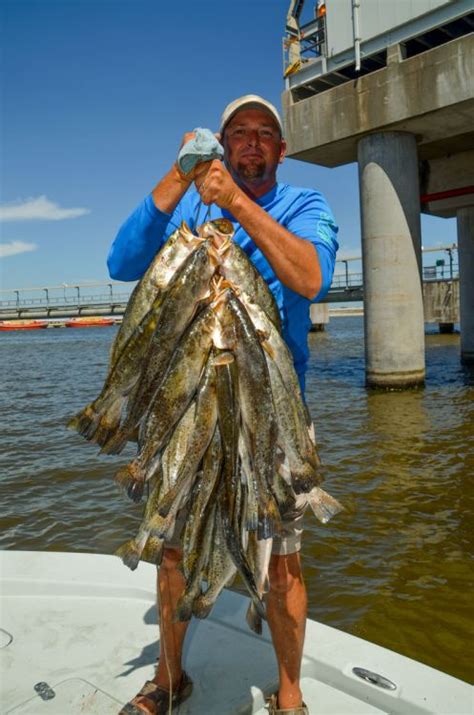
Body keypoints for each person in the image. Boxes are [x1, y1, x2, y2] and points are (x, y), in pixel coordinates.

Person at [110, 95, 339, 715]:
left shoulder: (305, 206)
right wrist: (180, 175)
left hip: (272, 411)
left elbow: (311, 278)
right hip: (187, 405)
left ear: (282, 151)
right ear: (223, 143)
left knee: (283, 557)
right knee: (174, 547)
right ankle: (168, 677)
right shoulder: (189, 202)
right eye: (239, 133)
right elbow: (121, 262)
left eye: (266, 133)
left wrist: (235, 202)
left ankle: (289, 695)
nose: (253, 142)